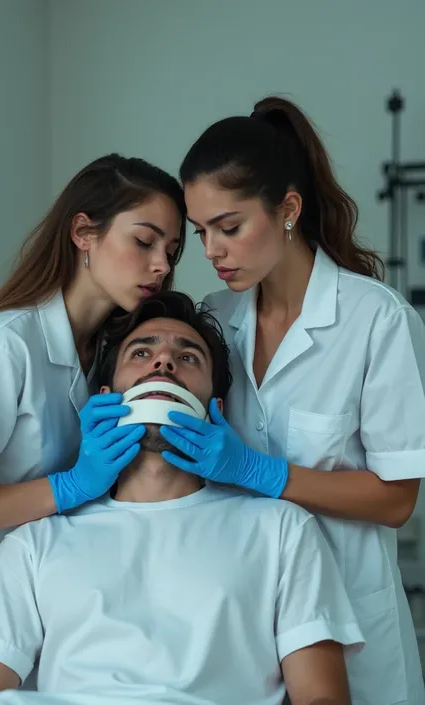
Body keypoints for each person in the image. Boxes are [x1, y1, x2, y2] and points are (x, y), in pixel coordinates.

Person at [0, 291, 363, 705]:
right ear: (106, 396)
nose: (163, 362)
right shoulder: (35, 543)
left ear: (214, 406)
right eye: (141, 353)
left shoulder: (281, 531)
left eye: (188, 358)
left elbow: (322, 697)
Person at [157, 96, 425, 705]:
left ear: (288, 210)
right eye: (201, 233)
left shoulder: (375, 321)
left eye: (229, 227)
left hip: (350, 622)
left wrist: (260, 472)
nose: (211, 252)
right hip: (242, 613)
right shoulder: (216, 320)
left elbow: (396, 500)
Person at [0, 154, 186, 682]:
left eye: (171, 251)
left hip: (56, 627)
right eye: (144, 241)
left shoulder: (111, 356)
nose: (162, 266)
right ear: (84, 232)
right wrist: (70, 487)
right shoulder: (4, 348)